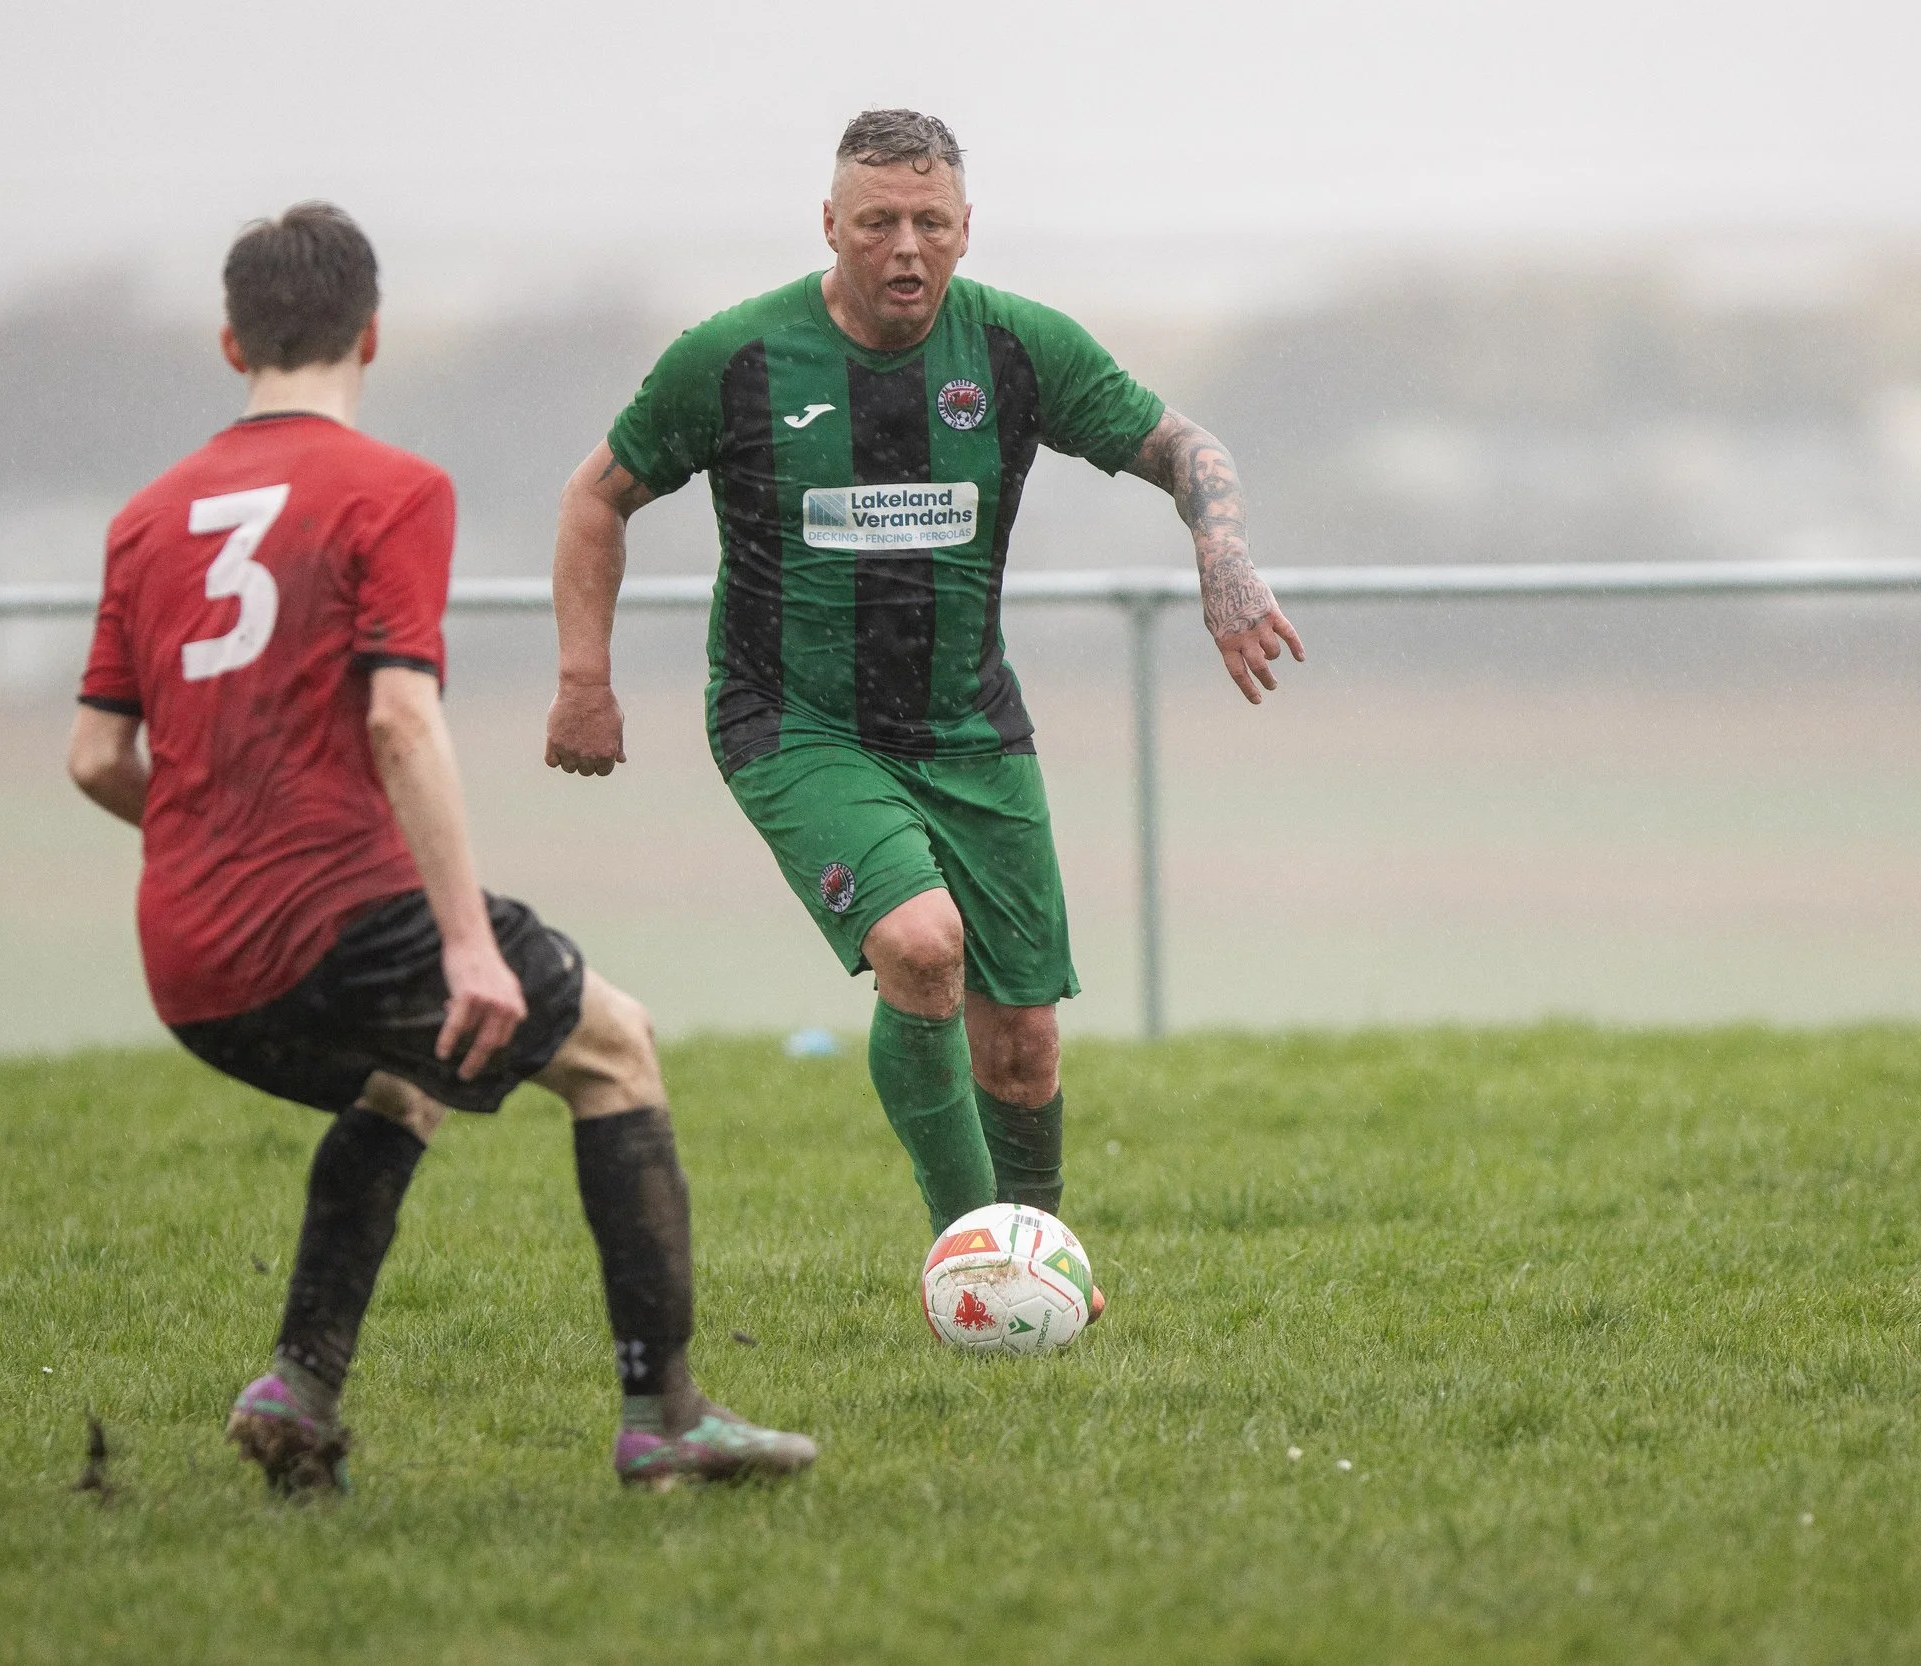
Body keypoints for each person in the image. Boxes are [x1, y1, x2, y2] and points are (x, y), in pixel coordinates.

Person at [66, 202, 815, 1495]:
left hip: (188, 960)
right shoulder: (393, 490)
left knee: (399, 1085)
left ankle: (297, 1393)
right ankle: (666, 1415)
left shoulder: (147, 517)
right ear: (372, 332)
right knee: (617, 1049)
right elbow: (401, 716)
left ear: (229, 337)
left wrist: (210, 840)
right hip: (339, 920)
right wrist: (469, 942)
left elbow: (94, 758)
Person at [543, 110, 1303, 1275]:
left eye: (929, 222)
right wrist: (584, 677)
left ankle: (1037, 1259)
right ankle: (980, 1266)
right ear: (831, 226)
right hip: (793, 722)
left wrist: (1222, 558)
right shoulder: (736, 359)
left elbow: (1184, 446)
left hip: (968, 724)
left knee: (1024, 1050)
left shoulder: (1014, 347)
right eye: (878, 222)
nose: (905, 247)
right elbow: (597, 496)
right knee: (920, 944)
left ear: (964, 228)